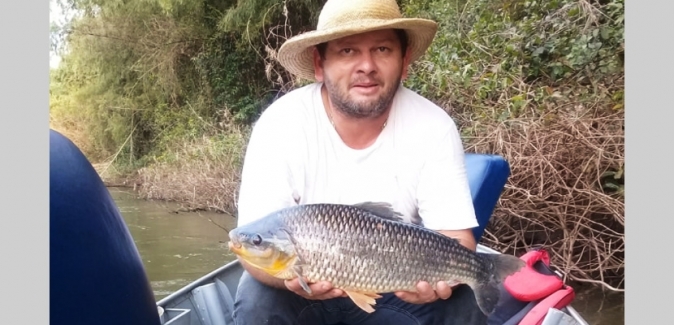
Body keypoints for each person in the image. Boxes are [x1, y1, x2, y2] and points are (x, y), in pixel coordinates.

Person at [232, 0, 486, 324]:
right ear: (320, 63)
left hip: (396, 286)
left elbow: (458, 240)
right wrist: (289, 279)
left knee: (462, 301)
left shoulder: (434, 126)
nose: (366, 66)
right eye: (348, 51)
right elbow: (254, 253)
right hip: (302, 290)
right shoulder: (280, 124)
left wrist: (439, 283)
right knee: (256, 298)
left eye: (382, 49)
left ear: (404, 61)